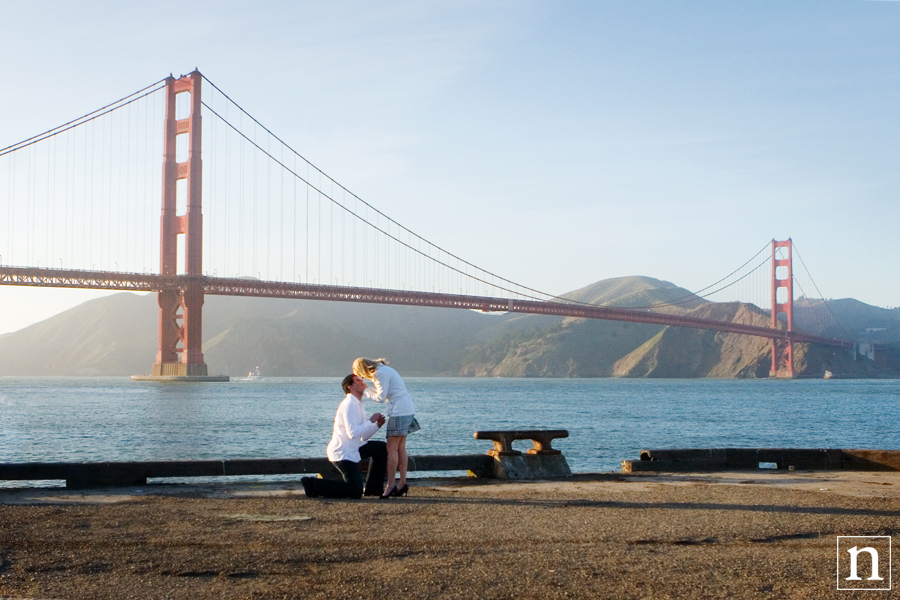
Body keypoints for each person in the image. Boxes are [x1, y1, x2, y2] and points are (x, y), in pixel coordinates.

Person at [301, 374, 388, 499]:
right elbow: (352, 433)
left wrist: (377, 426)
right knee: (355, 491)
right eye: (359, 380)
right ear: (351, 387)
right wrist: (370, 421)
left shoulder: (358, 404)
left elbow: (362, 437)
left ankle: (373, 489)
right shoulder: (349, 405)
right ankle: (312, 484)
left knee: (381, 448)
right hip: (343, 452)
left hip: (354, 448)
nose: (363, 382)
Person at [353, 357, 419, 498]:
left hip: (399, 411)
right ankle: (402, 483)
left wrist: (365, 390)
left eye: (361, 374)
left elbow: (380, 397)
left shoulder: (379, 374)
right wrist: (368, 388)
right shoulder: (385, 369)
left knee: (391, 449)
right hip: (407, 408)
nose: (363, 377)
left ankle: (390, 485)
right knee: (401, 448)